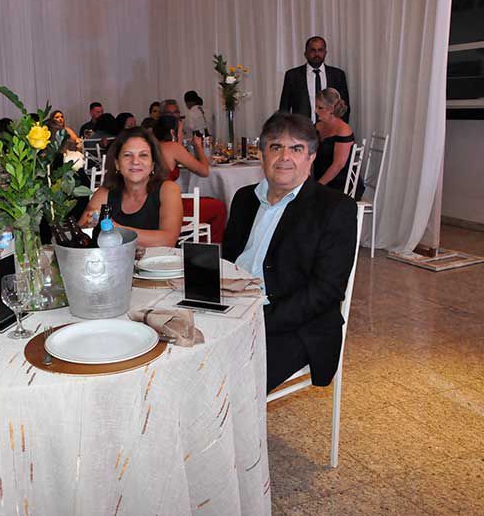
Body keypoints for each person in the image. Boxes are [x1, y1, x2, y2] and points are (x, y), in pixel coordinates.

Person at [222, 113, 357, 393]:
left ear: (311, 157)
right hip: (236, 309)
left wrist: (259, 319)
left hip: (296, 325)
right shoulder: (244, 198)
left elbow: (327, 290)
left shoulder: (334, 209)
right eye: (276, 147)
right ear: (262, 155)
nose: (285, 157)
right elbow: (227, 261)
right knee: (180, 357)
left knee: (227, 381)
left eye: (296, 148)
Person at [79, 127, 182, 248]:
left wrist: (116, 229)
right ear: (117, 164)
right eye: (127, 155)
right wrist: (89, 224)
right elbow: (80, 234)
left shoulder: (168, 189)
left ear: (153, 164)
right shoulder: (104, 193)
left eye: (143, 155)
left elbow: (168, 240)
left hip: (159, 260)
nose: (135, 161)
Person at [153, 115, 228, 242]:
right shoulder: (172, 147)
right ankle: (209, 248)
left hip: (154, 202)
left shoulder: (153, 146)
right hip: (166, 205)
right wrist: (198, 147)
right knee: (219, 207)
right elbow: (204, 171)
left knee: (208, 201)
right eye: (181, 132)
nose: (182, 135)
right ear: (172, 132)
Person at [279, 36, 350, 123]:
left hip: (330, 128)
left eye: (320, 50)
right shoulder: (293, 76)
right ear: (305, 53)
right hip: (302, 128)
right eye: (313, 50)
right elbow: (284, 109)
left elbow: (344, 107)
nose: (317, 54)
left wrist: (339, 128)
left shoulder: (337, 75)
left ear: (325, 53)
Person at [313, 88, 358, 194]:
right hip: (319, 179)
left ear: (331, 109)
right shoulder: (317, 127)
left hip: (341, 183)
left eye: (320, 107)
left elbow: (338, 165)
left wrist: (318, 186)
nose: (315, 111)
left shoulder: (343, 130)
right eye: (316, 107)